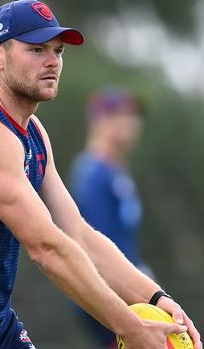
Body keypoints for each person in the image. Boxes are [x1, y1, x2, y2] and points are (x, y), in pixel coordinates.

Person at [0, 0, 202, 349]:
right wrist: (129, 325)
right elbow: (46, 247)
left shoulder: (32, 131)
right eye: (36, 49)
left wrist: (156, 299)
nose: (52, 62)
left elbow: (77, 233)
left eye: (58, 51)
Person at [70, 87, 151, 348]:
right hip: (109, 297)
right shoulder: (94, 175)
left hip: (128, 292)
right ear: (99, 121)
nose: (131, 122)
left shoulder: (115, 172)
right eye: (120, 115)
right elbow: (97, 244)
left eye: (133, 115)